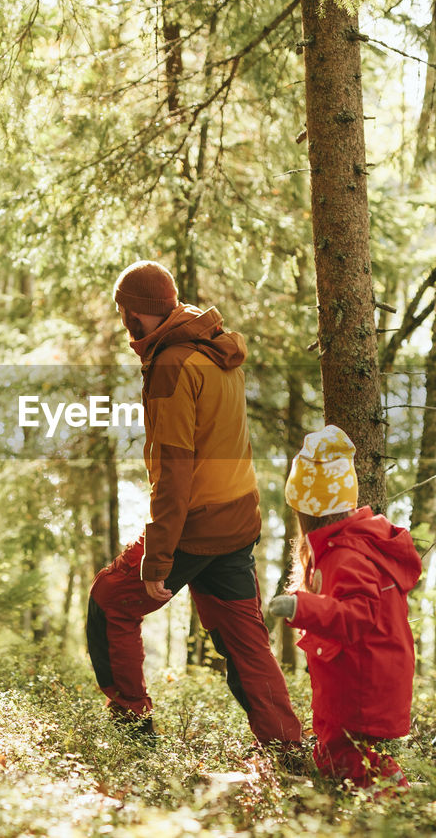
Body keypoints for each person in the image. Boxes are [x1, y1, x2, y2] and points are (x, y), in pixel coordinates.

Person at [85, 260, 302, 749]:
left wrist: (158, 560)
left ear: (145, 311)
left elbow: (175, 469)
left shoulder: (171, 365)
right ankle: (287, 748)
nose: (125, 325)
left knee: (109, 601)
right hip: (237, 521)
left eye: (127, 313)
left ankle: (133, 736)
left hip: (194, 527)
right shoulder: (215, 351)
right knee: (247, 646)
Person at [268, 425, 421, 791]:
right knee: (330, 754)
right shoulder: (337, 548)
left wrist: (300, 607)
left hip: (361, 680)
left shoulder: (349, 555)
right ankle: (357, 801)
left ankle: (396, 796)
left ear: (308, 511)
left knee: (348, 759)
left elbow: (358, 615)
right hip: (349, 673)